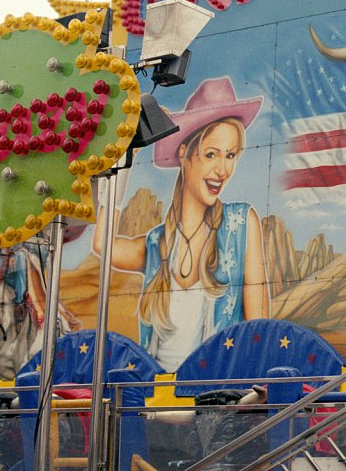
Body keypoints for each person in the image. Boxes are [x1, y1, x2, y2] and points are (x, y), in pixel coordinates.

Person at [93, 77, 269, 371]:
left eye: (231, 156)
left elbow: (259, 330)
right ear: (185, 153)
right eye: (211, 154)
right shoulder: (157, 243)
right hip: (157, 402)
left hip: (214, 398)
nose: (223, 170)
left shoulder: (241, 223)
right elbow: (103, 245)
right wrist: (125, 158)